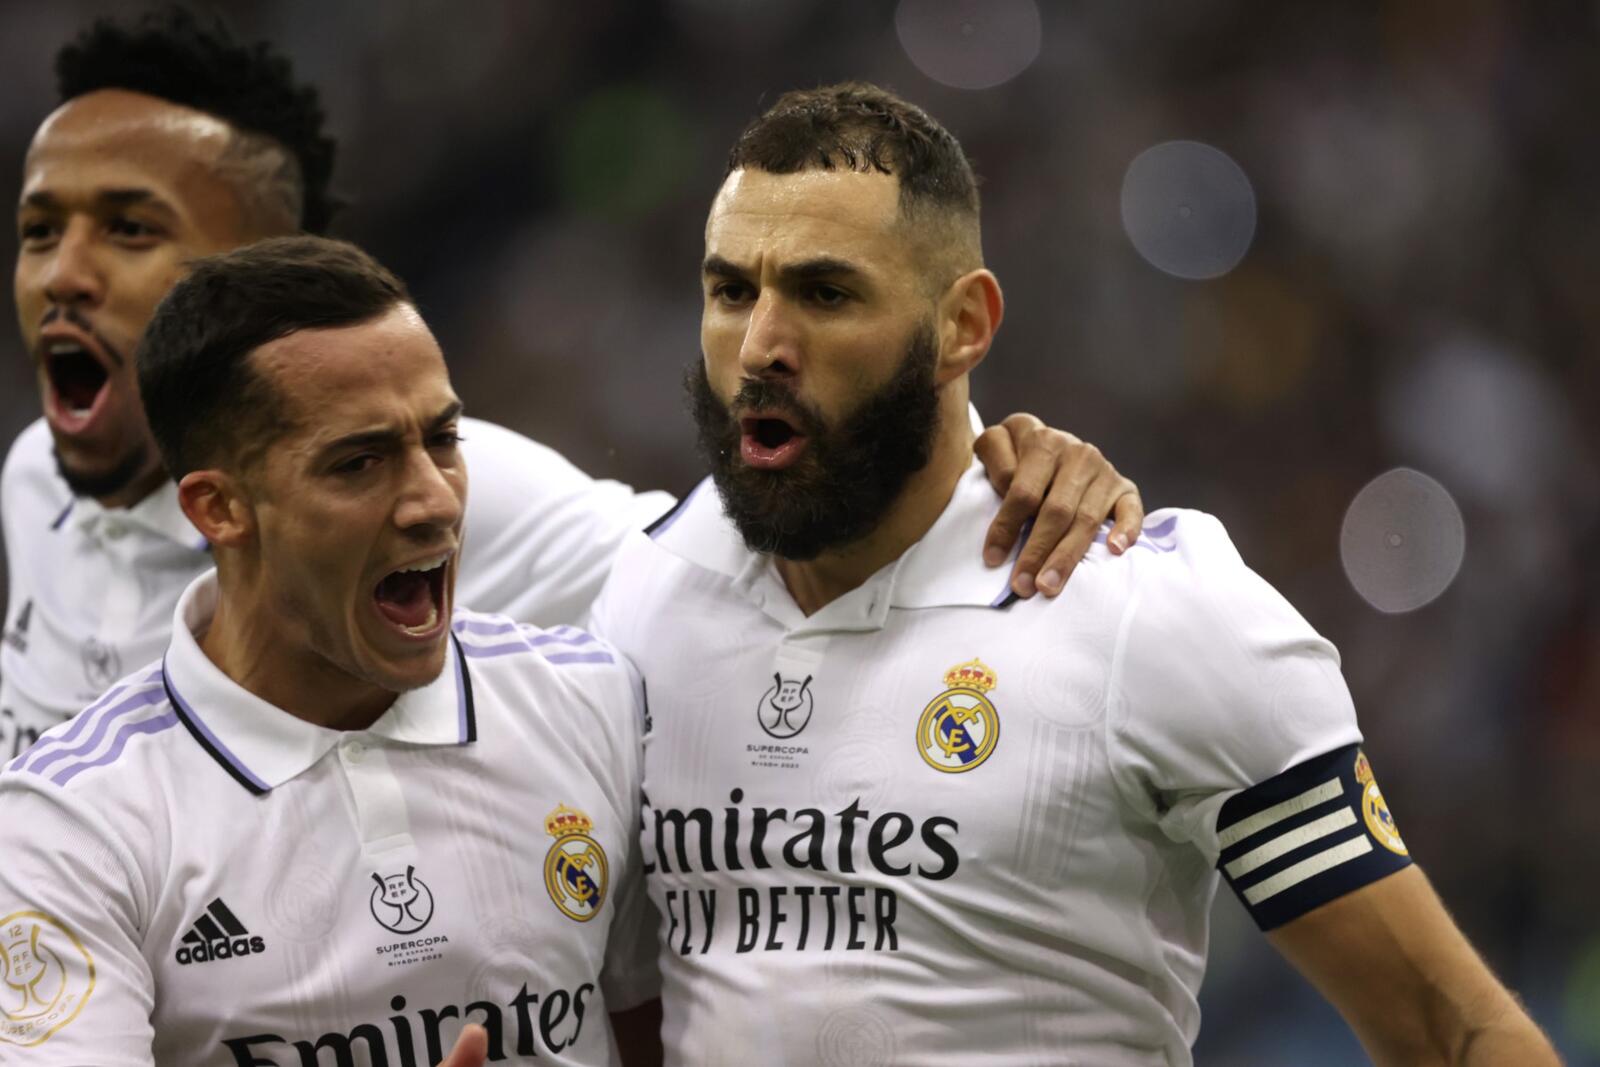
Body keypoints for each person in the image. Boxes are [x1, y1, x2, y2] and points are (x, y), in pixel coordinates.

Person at [586, 83, 1560, 1065]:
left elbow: (1455, 1030)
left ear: (963, 324)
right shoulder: (641, 598)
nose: (759, 347)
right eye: (730, 291)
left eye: (826, 293)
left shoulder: (1144, 610)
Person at [1, 8, 1144, 762]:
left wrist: (1008, 463)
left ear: (258, 268)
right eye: (40, 229)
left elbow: (751, 545)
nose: (64, 273)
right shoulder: (31, 481)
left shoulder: (445, 491)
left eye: (130, 229)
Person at [0, 236, 661, 1064]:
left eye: (444, 438)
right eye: (359, 461)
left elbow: (655, 1031)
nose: (434, 502)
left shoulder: (592, 704)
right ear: (219, 508)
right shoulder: (72, 826)